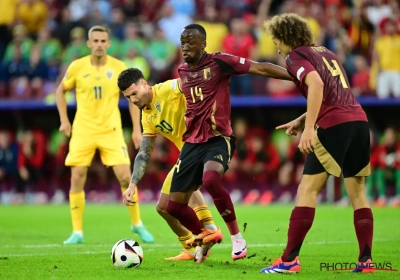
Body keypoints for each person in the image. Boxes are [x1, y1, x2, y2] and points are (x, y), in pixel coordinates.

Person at [164, 23, 294, 263]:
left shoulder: (219, 62)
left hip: (218, 138)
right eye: (182, 42)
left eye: (190, 41)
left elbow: (261, 69)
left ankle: (237, 238)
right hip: (192, 142)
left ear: (203, 43)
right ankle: (205, 234)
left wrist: (296, 75)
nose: (185, 46)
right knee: (173, 207)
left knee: (211, 180)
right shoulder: (181, 70)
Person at [261, 13, 373, 274]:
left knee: (307, 190)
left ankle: (289, 261)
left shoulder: (295, 57)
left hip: (334, 126)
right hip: (359, 122)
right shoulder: (327, 53)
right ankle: (366, 260)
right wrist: (303, 119)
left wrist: (310, 127)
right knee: (358, 194)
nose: (276, 47)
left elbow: (316, 84)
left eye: (276, 40)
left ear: (286, 38)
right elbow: (334, 91)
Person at [55, 26, 153, 245]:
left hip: (111, 129)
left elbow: (134, 98)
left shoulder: (119, 67)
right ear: (89, 44)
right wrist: (64, 120)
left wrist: (137, 129)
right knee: (77, 175)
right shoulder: (77, 67)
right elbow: (60, 91)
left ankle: (137, 223)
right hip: (83, 129)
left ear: (108, 44)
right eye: (95, 40)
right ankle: (77, 232)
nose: (99, 44)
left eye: (103, 41)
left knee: (126, 177)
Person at [118, 68, 220, 261]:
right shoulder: (147, 115)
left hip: (204, 147)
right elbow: (144, 152)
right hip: (187, 155)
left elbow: (193, 84)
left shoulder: (167, 89)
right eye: (128, 97)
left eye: (134, 94)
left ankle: (208, 230)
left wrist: (211, 111)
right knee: (163, 208)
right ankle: (192, 245)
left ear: (144, 84)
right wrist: (132, 184)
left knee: (180, 191)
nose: (133, 100)